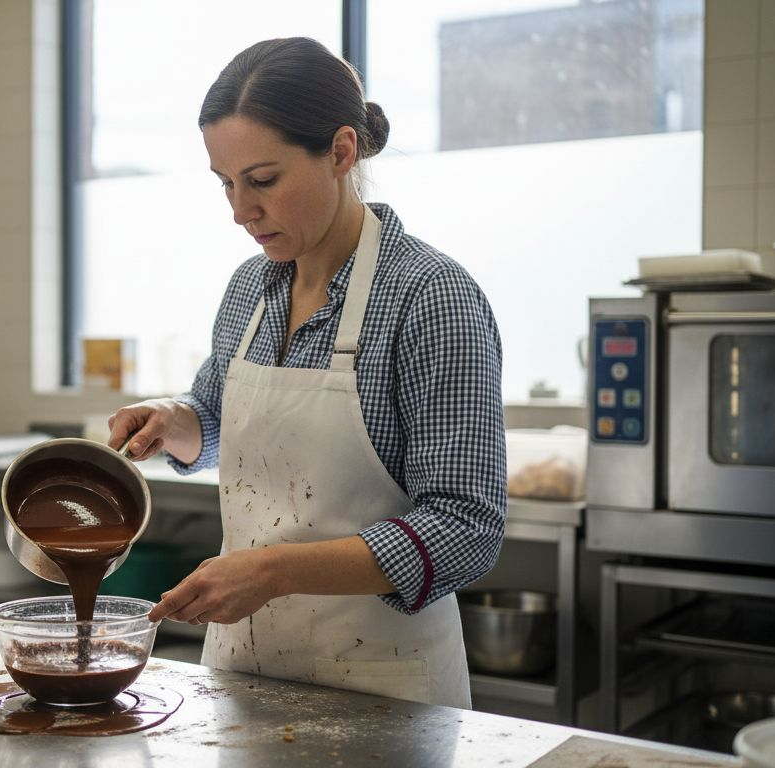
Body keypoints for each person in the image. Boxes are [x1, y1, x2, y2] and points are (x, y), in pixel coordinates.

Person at [106, 37, 506, 709]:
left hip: (386, 688)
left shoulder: (429, 296)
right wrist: (175, 423)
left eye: (262, 181)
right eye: (226, 184)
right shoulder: (249, 290)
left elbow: (466, 527)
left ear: (341, 152)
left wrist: (275, 571)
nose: (240, 210)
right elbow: (216, 421)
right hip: (243, 675)